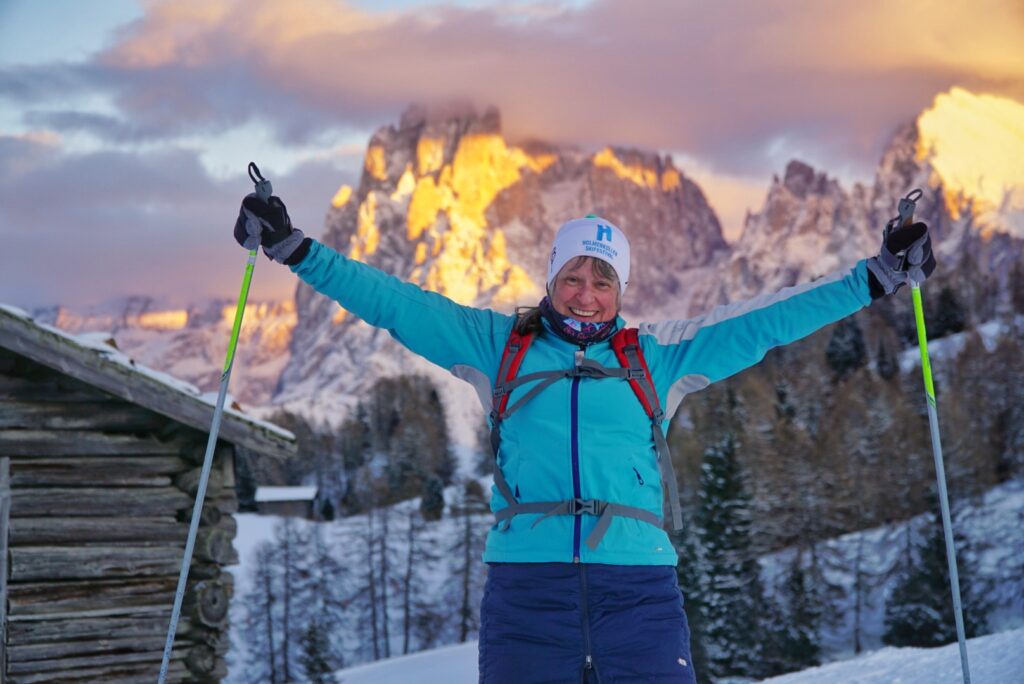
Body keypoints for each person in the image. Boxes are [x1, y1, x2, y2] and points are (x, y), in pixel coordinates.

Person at [235, 196, 934, 683]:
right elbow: (395, 302)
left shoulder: (656, 357)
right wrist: (298, 251)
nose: (586, 293)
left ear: (621, 289)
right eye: (573, 276)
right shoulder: (495, 344)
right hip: (526, 592)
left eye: (603, 280)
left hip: (639, 596)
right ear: (552, 278)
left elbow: (767, 321)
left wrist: (873, 277)